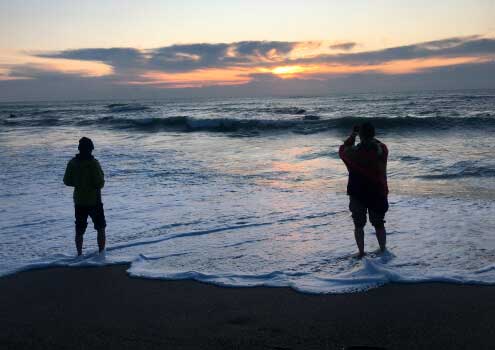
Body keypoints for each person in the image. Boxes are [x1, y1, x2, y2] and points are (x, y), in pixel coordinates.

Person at [339, 122, 388, 258]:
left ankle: (361, 253)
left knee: (358, 224)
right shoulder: (382, 150)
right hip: (377, 191)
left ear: (360, 135)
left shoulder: (352, 153)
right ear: (373, 134)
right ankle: (383, 250)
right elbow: (377, 143)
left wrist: (353, 135)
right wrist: (370, 138)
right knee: (379, 223)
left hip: (357, 192)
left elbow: (342, 149)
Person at [63, 137, 106, 256]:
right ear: (91, 149)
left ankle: (79, 254)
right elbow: (100, 183)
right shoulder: (93, 163)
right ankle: (102, 253)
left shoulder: (72, 163)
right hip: (94, 200)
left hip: (79, 200)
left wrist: (79, 183)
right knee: (100, 227)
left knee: (79, 229)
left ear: (79, 149)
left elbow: (67, 181)